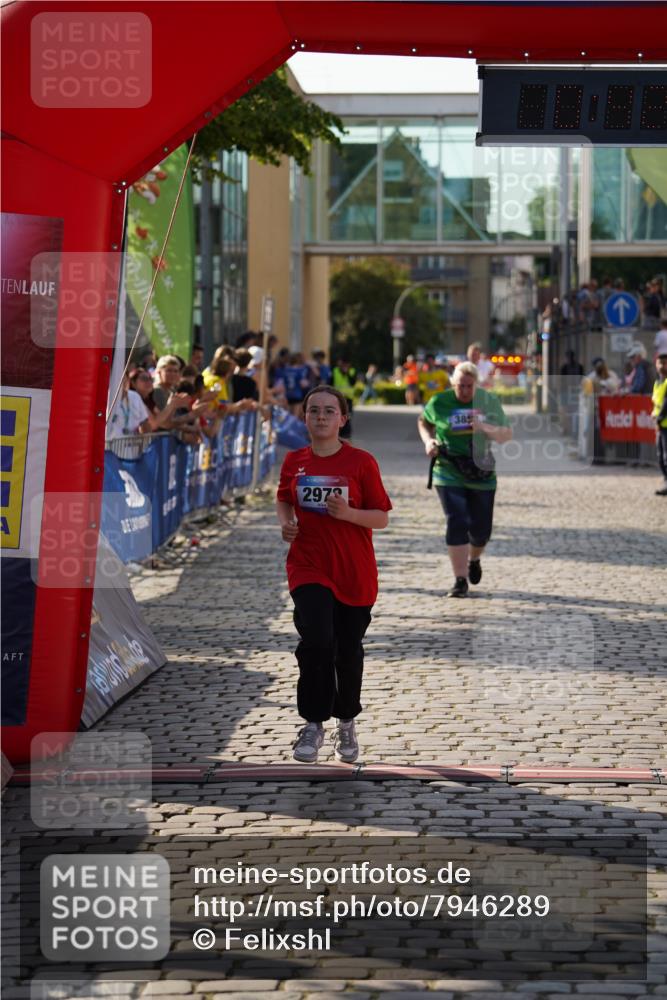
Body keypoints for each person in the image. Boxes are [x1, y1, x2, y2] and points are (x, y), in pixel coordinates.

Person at [276, 385, 392, 764]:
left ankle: (346, 719)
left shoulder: (361, 462)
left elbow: (381, 517)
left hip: (354, 571)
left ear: (343, 419)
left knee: (346, 650)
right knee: (316, 641)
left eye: (329, 411)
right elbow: (283, 497)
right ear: (304, 417)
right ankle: (312, 723)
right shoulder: (294, 460)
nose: (321, 417)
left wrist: (349, 515)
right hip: (308, 565)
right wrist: (287, 523)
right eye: (314, 410)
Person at [417, 361, 512, 598]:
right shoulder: (440, 401)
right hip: (447, 469)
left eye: (469, 386)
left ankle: (475, 558)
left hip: (481, 471)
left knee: (481, 531)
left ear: (476, 385)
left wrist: (482, 426)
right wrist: (429, 441)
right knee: (456, 520)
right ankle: (459, 580)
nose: (465, 391)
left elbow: (506, 435)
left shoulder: (488, 402)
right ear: (453, 383)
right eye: (460, 386)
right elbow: (424, 421)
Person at [106, 374, 151, 440]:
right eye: (119, 379)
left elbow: (145, 424)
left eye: (124, 379)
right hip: (110, 447)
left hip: (132, 447)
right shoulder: (106, 398)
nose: (122, 382)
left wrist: (145, 442)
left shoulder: (135, 396)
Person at [652, 352, 667, 496]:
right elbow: (657, 403)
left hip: (664, 424)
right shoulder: (657, 383)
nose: (663, 366)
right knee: (661, 455)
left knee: (666, 456)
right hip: (661, 426)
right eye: (660, 363)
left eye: (665, 363)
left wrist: (658, 419)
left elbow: (666, 405)